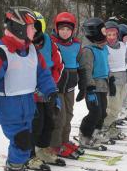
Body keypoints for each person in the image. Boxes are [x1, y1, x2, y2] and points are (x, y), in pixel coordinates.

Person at [0, 6, 60, 171]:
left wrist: (52, 92)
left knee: (25, 142)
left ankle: (16, 164)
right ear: (19, 28)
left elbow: (43, 75)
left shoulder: (32, 51)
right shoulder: (2, 52)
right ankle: (14, 167)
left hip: (29, 109)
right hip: (10, 111)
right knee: (22, 142)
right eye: (31, 27)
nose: (34, 30)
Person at [28, 11, 65, 170]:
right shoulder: (22, 45)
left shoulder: (49, 42)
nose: (34, 30)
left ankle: (42, 150)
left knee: (49, 122)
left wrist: (51, 84)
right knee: (34, 124)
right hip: (30, 94)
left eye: (36, 27)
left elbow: (58, 64)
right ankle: (28, 155)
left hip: (47, 91)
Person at [49, 12, 87, 158]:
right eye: (62, 29)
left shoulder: (77, 44)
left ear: (73, 30)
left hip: (70, 87)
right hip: (56, 87)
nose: (65, 32)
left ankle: (64, 141)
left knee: (69, 116)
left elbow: (81, 66)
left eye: (68, 29)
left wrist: (83, 86)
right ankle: (55, 146)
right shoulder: (51, 43)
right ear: (57, 28)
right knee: (59, 118)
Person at [78, 17, 110, 149]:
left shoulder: (103, 48)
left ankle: (96, 132)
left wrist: (111, 80)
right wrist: (89, 87)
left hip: (103, 85)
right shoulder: (88, 50)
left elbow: (106, 66)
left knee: (103, 112)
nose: (105, 33)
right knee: (95, 112)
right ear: (95, 32)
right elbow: (86, 70)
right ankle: (84, 134)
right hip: (93, 87)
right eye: (103, 30)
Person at [102, 23, 127, 139]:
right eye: (108, 35)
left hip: (124, 81)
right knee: (113, 108)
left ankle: (110, 125)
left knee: (118, 108)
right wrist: (108, 80)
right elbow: (103, 66)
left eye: (113, 34)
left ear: (117, 35)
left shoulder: (123, 46)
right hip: (112, 82)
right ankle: (103, 127)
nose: (111, 37)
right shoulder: (104, 48)